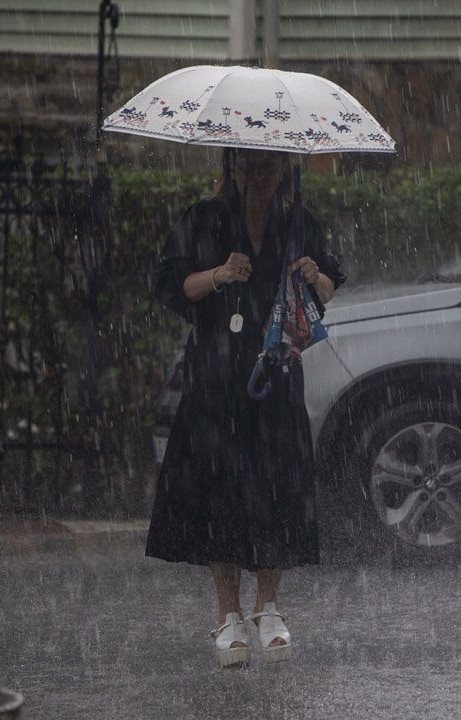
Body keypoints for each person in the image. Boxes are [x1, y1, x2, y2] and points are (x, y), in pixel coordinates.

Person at [147, 147, 345, 668]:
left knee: (276, 488)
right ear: (231, 167)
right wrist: (219, 274)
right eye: (249, 167)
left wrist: (311, 275)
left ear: (284, 171)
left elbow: (330, 286)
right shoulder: (203, 219)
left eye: (269, 167)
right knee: (222, 492)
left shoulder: (298, 223)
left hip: (275, 375)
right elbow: (172, 287)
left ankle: (269, 607)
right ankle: (227, 613)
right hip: (216, 380)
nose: (259, 177)